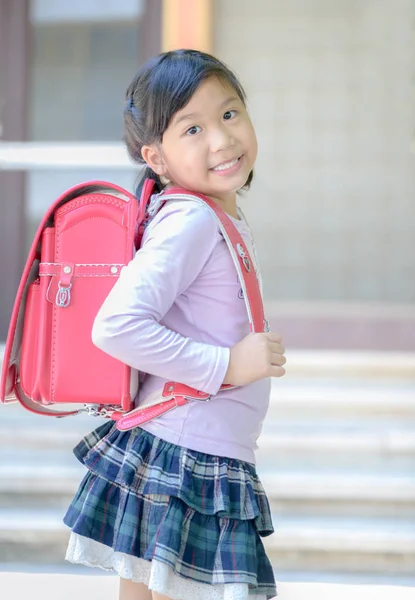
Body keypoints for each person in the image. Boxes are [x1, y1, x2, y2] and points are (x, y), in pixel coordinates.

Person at [63, 49, 286, 600]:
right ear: (156, 158)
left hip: (183, 446)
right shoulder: (190, 218)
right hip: (189, 455)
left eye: (229, 114)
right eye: (193, 129)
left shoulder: (210, 212)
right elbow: (115, 325)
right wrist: (228, 364)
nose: (221, 139)